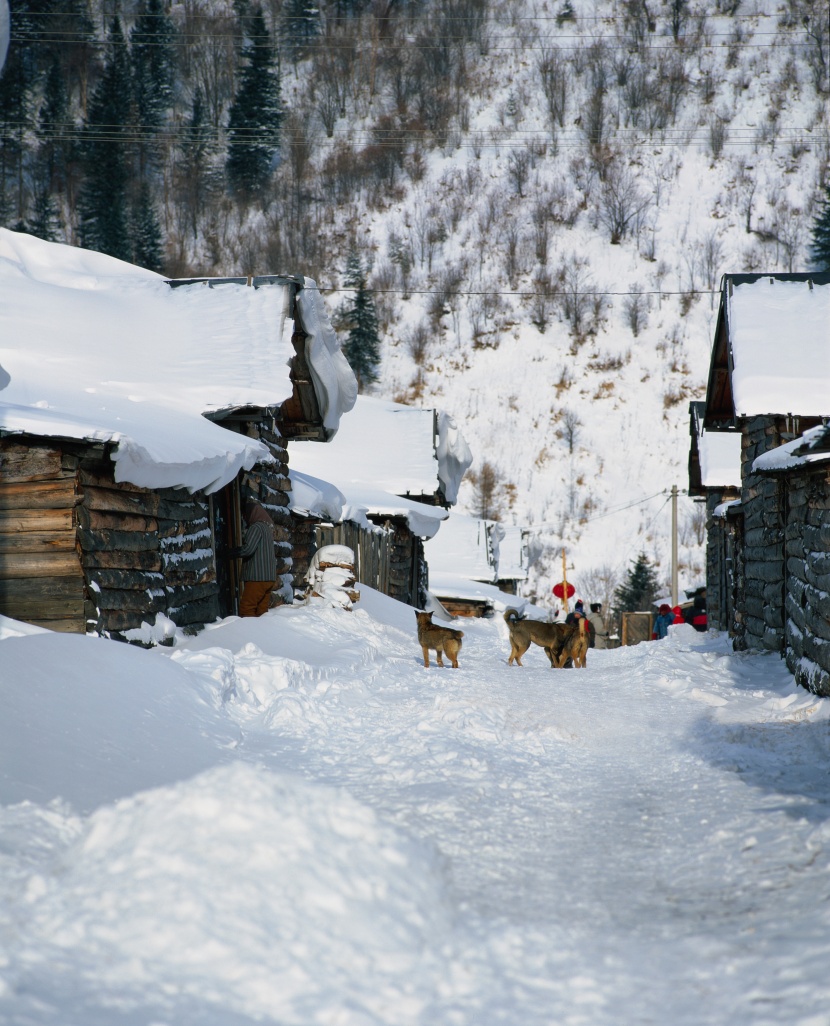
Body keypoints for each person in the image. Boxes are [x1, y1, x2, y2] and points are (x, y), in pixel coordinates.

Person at [230, 499, 277, 617]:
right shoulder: (267, 528)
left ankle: (249, 634)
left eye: (245, 514)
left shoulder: (256, 527)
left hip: (257, 577)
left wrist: (231, 553)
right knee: (261, 612)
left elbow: (248, 549)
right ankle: (262, 634)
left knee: (247, 608)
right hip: (269, 577)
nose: (244, 517)